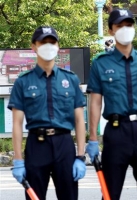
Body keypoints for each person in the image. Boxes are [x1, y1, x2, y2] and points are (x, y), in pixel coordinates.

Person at [86, 9, 137, 200]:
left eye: (128, 25)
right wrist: (93, 138)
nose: (125, 29)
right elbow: (95, 102)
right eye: (119, 25)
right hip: (116, 133)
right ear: (111, 30)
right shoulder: (101, 63)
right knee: (109, 194)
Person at [8, 26, 87, 200]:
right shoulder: (23, 82)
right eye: (43, 42)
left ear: (58, 46)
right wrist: (18, 160)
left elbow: (80, 120)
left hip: (64, 144)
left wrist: (81, 156)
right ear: (34, 47)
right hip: (37, 145)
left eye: (52, 42)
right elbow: (16, 124)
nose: (48, 46)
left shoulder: (70, 79)